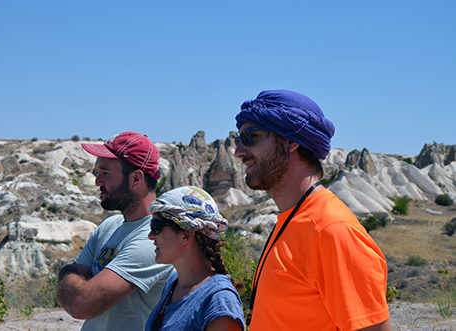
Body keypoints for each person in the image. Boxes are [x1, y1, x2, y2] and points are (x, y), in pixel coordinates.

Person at [234, 90, 391, 331]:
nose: (239, 152)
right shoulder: (293, 219)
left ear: (291, 140)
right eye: (237, 140)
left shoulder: (331, 231)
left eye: (250, 137)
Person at [56, 131, 174, 331]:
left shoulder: (154, 238)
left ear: (136, 178)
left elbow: (80, 304)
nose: (97, 181)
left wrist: (66, 273)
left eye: (106, 173)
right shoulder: (110, 226)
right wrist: (75, 281)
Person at [145, 186, 244, 331]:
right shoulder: (173, 283)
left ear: (186, 234)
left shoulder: (219, 300)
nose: (150, 236)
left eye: (156, 227)